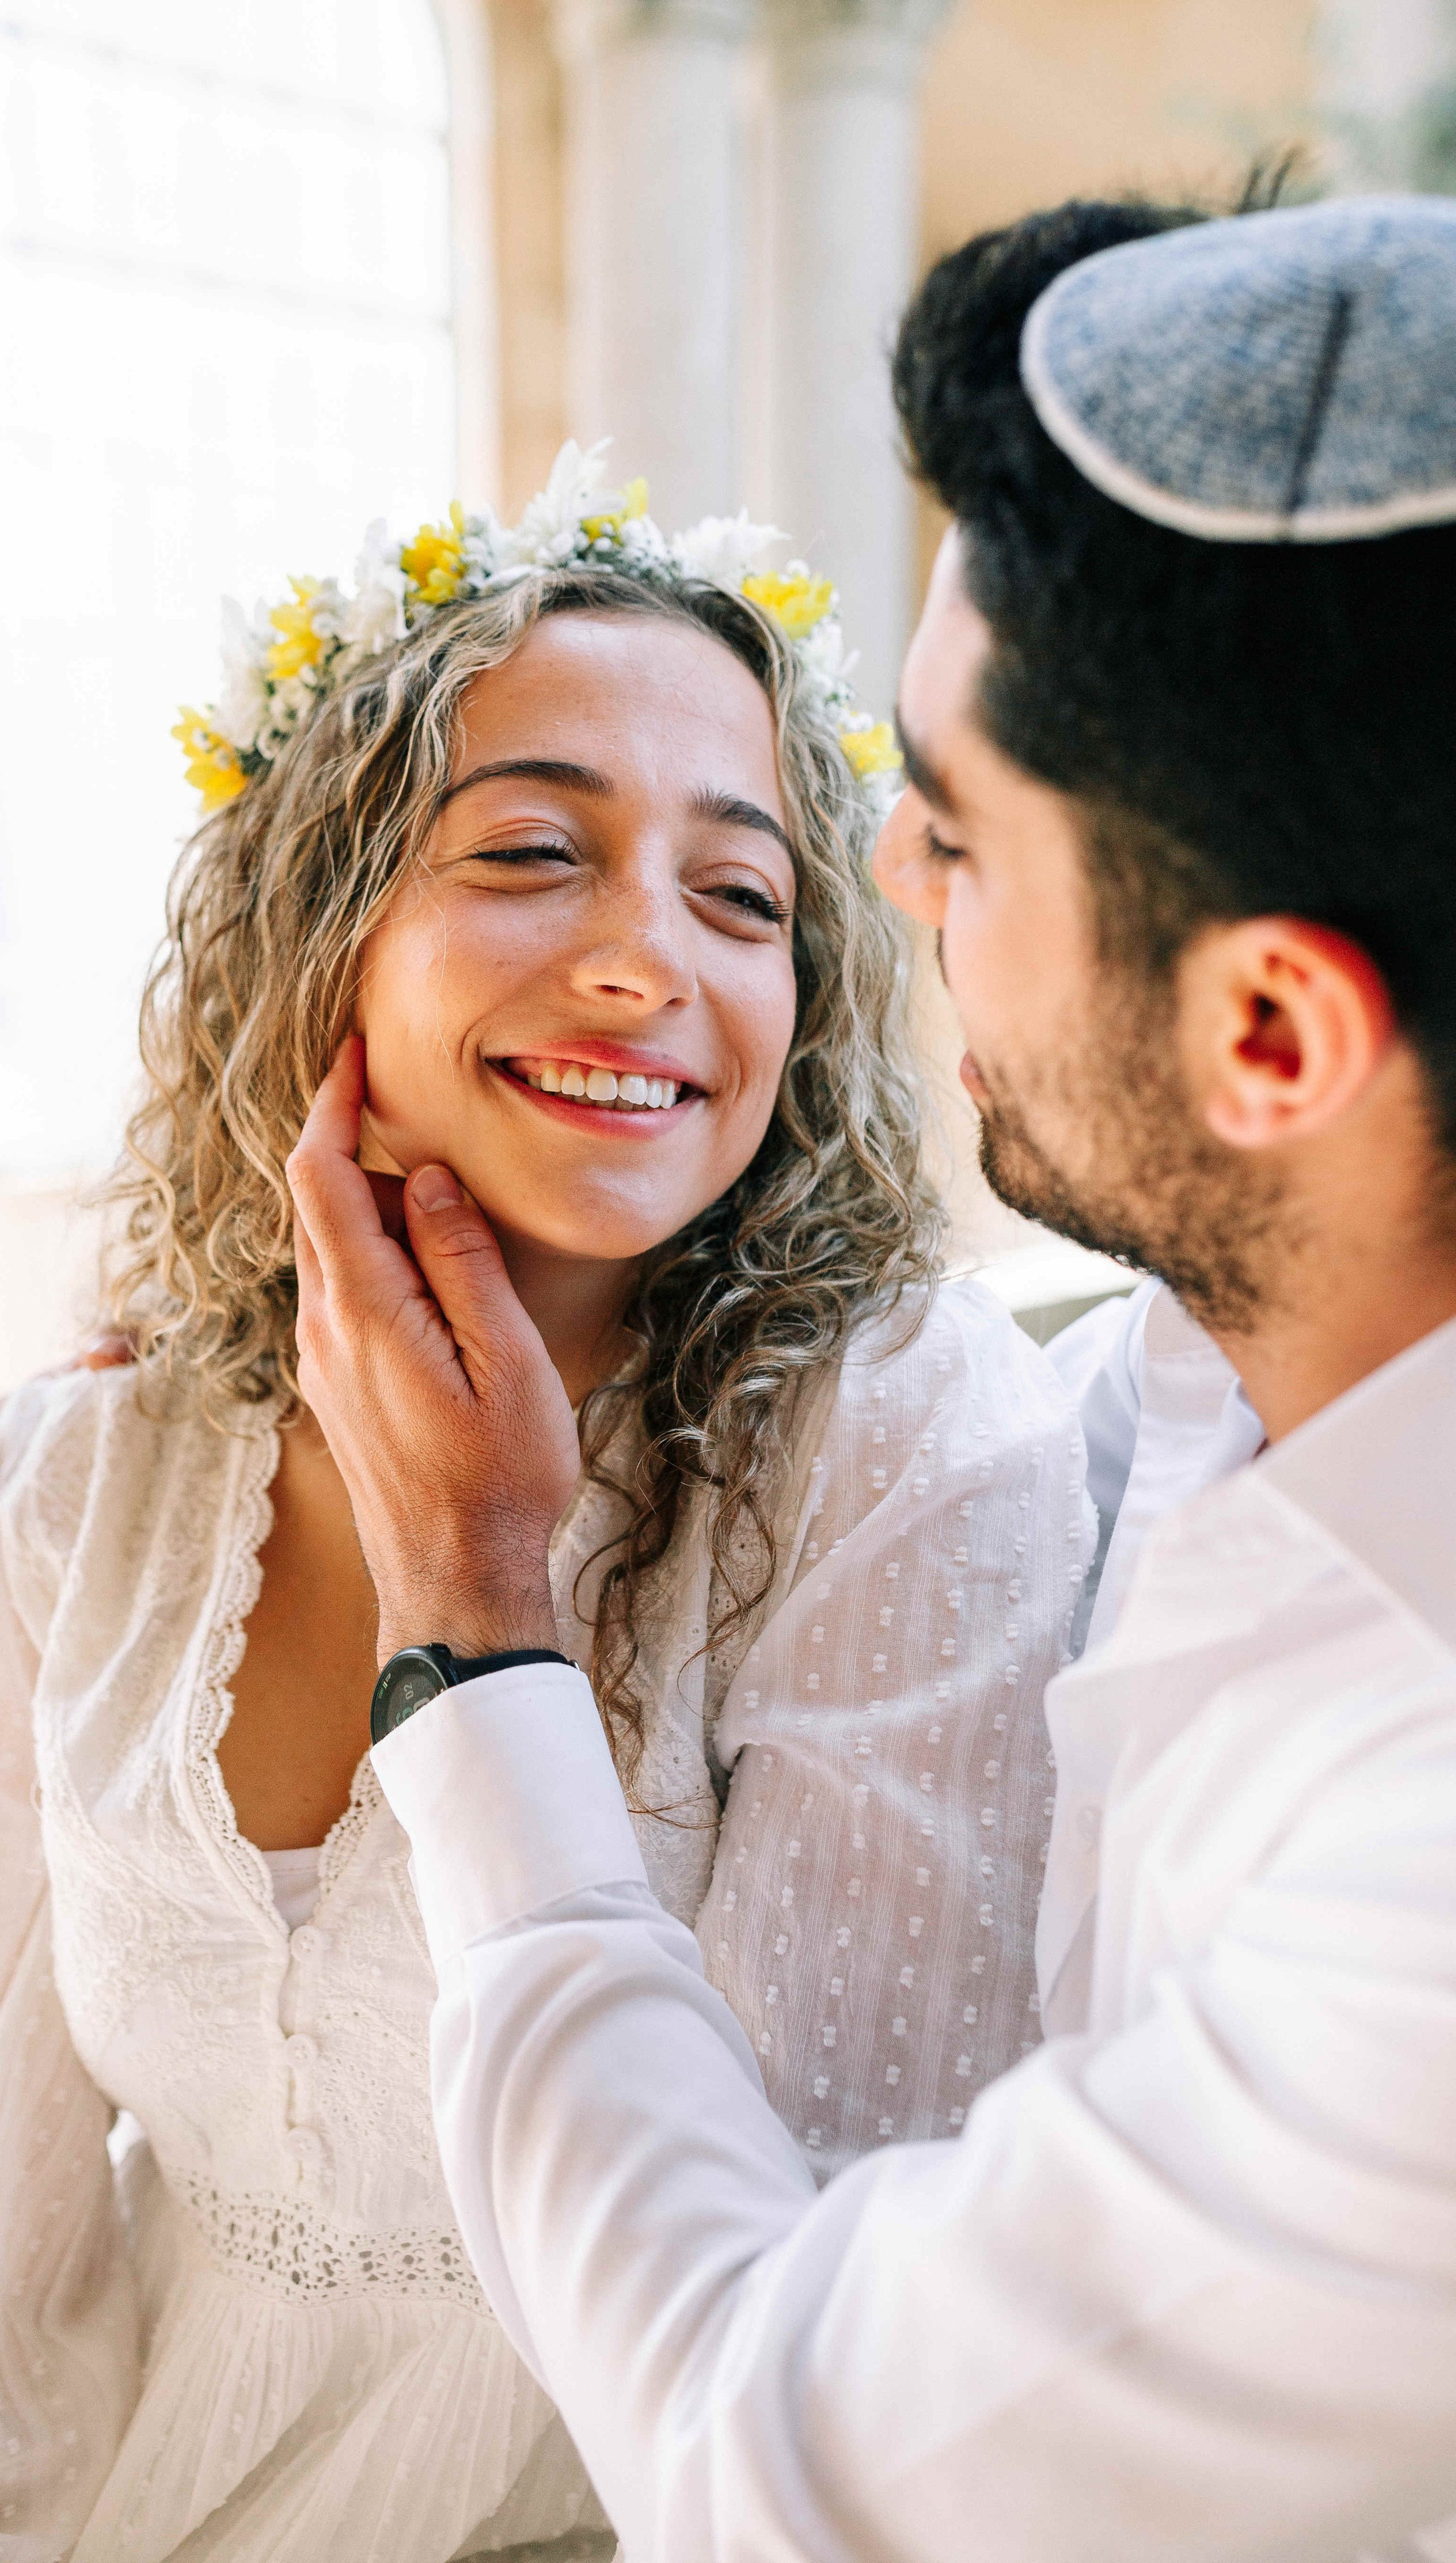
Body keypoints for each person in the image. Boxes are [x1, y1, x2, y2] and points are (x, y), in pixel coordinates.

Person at [0, 451, 1088, 2558]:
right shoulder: (99, 1484)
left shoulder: (902, 1443)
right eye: (535, 852)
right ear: (325, 936)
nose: (648, 961)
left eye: (744, 898)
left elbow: (842, 2324)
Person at [278, 194, 1456, 2558]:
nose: (880, 871)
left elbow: (766, 2466)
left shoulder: (1416, 1923)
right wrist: (216, 1350)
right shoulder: (1229, 1368)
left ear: (1271, 1033)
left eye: (962, 825)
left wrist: (476, 1638)